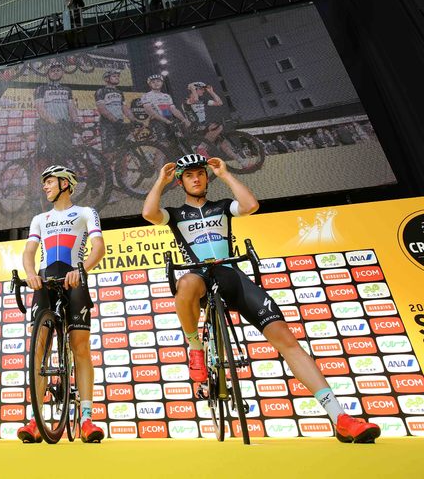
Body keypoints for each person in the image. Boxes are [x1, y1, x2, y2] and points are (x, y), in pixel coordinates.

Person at [142, 154, 381, 443]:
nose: (196, 179)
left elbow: (250, 206)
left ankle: (340, 417)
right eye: (189, 175)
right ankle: (195, 347)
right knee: (185, 282)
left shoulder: (221, 207)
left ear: (206, 177)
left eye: (200, 174)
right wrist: (160, 181)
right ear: (180, 182)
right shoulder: (177, 213)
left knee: (287, 340)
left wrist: (225, 174)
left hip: (231, 274)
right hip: (199, 277)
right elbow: (149, 213)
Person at [17, 165, 106, 443]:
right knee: (39, 347)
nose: (45, 186)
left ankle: (87, 419)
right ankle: (36, 419)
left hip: (74, 280)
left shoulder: (86, 212)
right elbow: (29, 251)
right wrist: (30, 273)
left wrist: (81, 270)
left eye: (50, 181)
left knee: (80, 346)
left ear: (65, 184)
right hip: (45, 280)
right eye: (44, 182)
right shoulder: (39, 218)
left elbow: (99, 248)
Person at [33, 62, 80, 165]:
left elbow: (71, 108)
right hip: (48, 127)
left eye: (58, 70)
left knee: (63, 157)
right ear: (48, 73)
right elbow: (40, 109)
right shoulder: (41, 89)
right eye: (52, 71)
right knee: (46, 158)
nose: (55, 72)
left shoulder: (67, 90)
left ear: (62, 72)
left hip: (63, 126)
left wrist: (76, 121)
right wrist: (55, 122)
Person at [141, 74, 192, 148]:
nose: (156, 83)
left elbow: (173, 110)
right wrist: (166, 121)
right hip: (157, 121)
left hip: (170, 120)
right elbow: (150, 111)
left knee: (179, 141)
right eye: (153, 82)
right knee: (163, 146)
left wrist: (184, 119)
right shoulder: (146, 96)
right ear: (149, 84)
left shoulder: (166, 96)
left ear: (162, 82)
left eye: (158, 81)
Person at [95, 69, 135, 149]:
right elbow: (102, 109)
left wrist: (134, 120)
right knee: (110, 151)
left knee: (124, 149)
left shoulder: (119, 92)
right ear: (107, 79)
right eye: (114, 76)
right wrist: (115, 120)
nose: (117, 78)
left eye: (118, 76)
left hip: (119, 123)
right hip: (107, 124)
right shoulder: (101, 91)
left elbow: (124, 108)